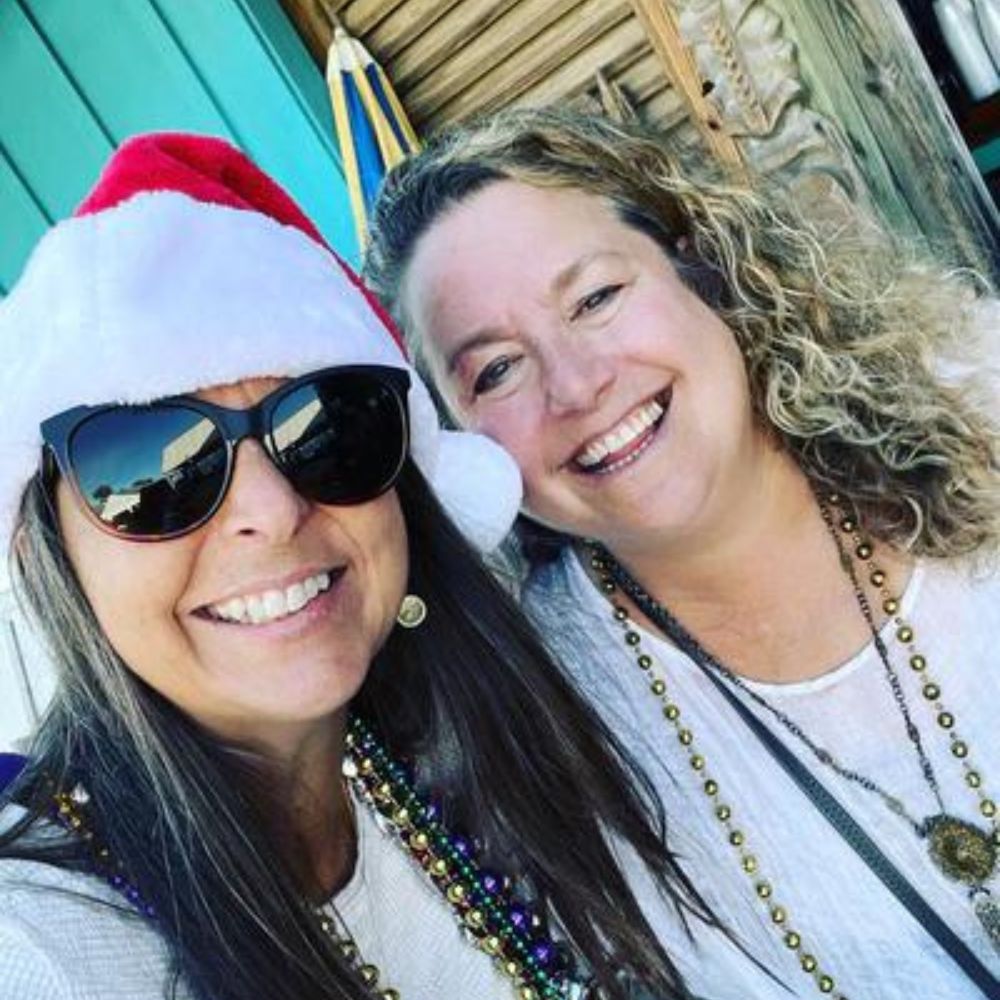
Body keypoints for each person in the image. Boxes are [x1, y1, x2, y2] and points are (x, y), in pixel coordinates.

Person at [0, 133, 719, 1000]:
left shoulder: (467, 765)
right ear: (46, 547)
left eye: (327, 425)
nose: (271, 510)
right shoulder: (37, 941)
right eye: (152, 466)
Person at [363, 106, 1000, 1000]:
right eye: (496, 370)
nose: (578, 384)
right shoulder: (552, 735)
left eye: (595, 298)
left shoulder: (983, 407)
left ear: (697, 263)